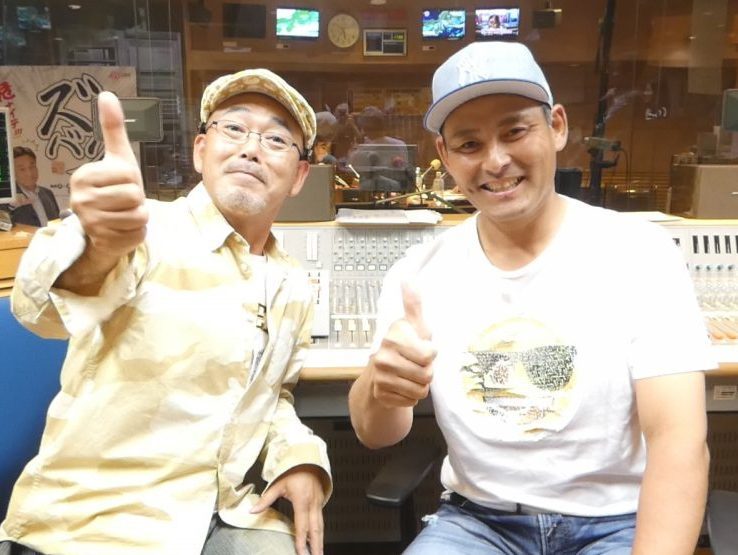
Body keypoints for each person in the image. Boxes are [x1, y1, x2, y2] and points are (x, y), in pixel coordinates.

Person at [348, 41, 715, 555]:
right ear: (445, 156)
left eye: (515, 131)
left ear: (557, 127)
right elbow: (378, 434)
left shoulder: (639, 254)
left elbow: (679, 442)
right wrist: (380, 387)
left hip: (615, 521)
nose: (496, 161)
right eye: (470, 144)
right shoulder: (418, 274)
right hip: (478, 523)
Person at [1, 68, 331, 555]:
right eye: (234, 128)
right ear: (201, 150)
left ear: (300, 175)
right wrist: (97, 248)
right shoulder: (145, 231)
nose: (251, 148)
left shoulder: (292, 282)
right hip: (95, 522)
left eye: (276, 139)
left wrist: (299, 457)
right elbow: (40, 308)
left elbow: (271, 394)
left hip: (220, 512)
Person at [9, 146, 60, 227]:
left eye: (32, 167)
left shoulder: (47, 193)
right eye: (22, 169)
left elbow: (57, 221)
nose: (29, 173)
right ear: (12, 172)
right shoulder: (8, 198)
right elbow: (3, 225)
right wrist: (11, 207)